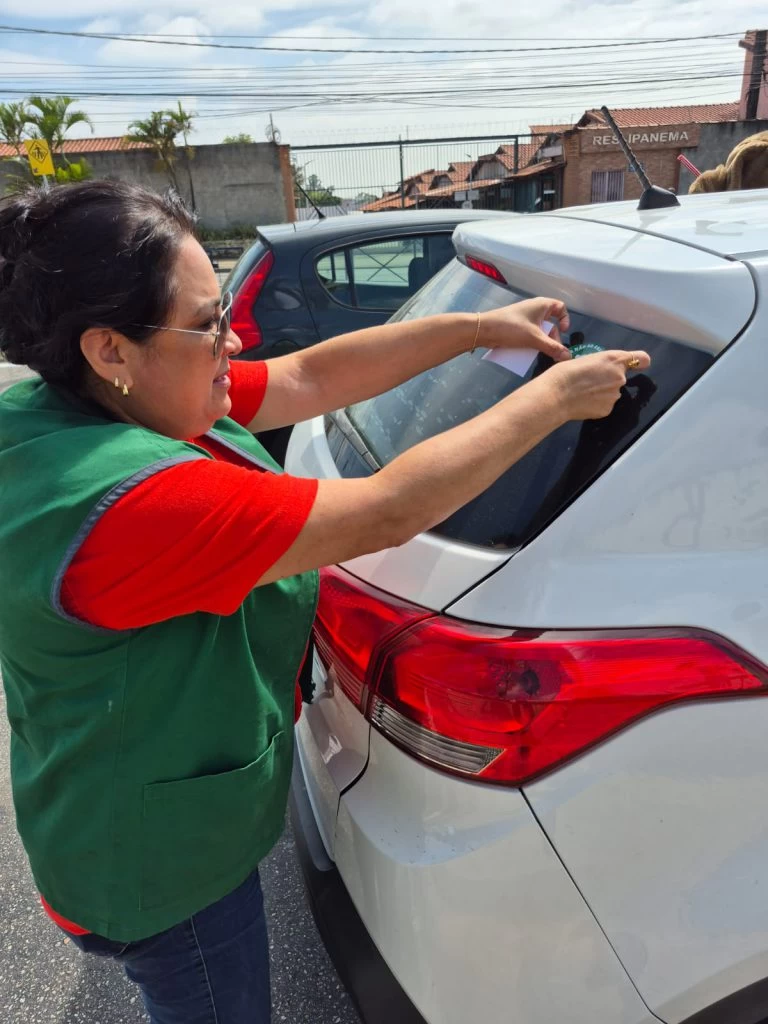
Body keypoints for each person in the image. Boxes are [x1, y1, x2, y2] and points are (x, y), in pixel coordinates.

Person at [0, 180, 649, 1024]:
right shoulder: (133, 507)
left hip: (101, 813)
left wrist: (482, 327)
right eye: (205, 323)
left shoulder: (74, 406)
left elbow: (308, 374)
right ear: (109, 350)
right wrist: (556, 397)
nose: (230, 337)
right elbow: (387, 511)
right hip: (154, 871)